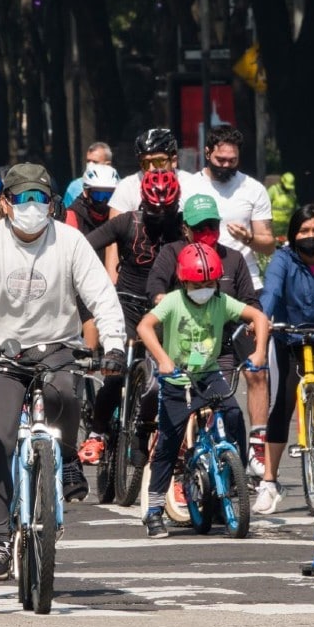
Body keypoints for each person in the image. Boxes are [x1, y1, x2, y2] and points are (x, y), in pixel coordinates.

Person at [0, 163, 126, 581]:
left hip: (58, 349)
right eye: (22, 198)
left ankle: (63, 457)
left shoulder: (72, 241)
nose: (31, 206)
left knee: (66, 394)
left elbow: (101, 295)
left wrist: (114, 344)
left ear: (53, 204)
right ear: (5, 204)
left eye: (40, 198)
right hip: (2, 357)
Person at [135, 243, 270, 538]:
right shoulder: (172, 302)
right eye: (198, 284)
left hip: (208, 374)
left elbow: (259, 317)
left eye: (210, 283)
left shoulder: (221, 302)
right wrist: (164, 359)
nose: (205, 289)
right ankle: (154, 511)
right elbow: (145, 327)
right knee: (168, 447)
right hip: (178, 381)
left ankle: (235, 476)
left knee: (234, 414)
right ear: (184, 282)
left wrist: (259, 352)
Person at [81, 168, 184, 469]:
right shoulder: (127, 221)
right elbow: (83, 247)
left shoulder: (181, 228)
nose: (160, 214)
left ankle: (145, 431)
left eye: (167, 209)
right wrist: (96, 281)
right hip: (125, 303)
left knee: (162, 374)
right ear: (142, 202)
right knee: (116, 369)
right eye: (153, 209)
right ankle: (97, 432)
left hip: (164, 307)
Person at [256, 203, 314, 514]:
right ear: (292, 235)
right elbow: (272, 292)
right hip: (288, 334)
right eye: (304, 231)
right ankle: (269, 481)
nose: (311, 236)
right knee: (282, 404)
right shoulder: (282, 258)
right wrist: (263, 319)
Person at [181, 125, 275, 289]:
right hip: (200, 282)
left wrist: (248, 238)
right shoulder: (188, 187)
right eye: (220, 159)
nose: (226, 165)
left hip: (245, 281)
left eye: (232, 161)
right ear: (207, 153)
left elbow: (268, 246)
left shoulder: (253, 188)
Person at [65, 163, 119, 237]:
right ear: (86, 192)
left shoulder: (118, 213)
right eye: (98, 195)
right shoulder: (73, 216)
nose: (104, 200)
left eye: (109, 195)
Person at [64, 142, 113, 206]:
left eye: (95, 162)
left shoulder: (120, 187)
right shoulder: (75, 186)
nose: (90, 165)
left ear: (107, 165)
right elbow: (67, 214)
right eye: (88, 161)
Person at [267, 172, 298, 239]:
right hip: (275, 226)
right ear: (282, 182)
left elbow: (295, 207)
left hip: (287, 227)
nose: (287, 188)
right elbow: (264, 205)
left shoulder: (292, 192)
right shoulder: (273, 190)